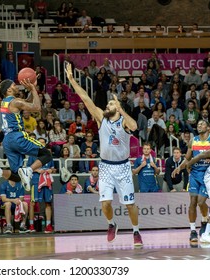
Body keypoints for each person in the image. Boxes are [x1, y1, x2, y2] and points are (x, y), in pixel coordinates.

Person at [65, 63, 142, 246]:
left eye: (111, 103)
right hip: (106, 166)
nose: (107, 105)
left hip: (123, 167)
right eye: (107, 103)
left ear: (118, 107)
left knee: (130, 204)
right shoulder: (101, 118)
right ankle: (111, 224)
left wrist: (122, 109)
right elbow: (85, 98)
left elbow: (134, 127)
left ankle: (136, 232)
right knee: (105, 203)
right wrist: (71, 80)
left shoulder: (124, 121)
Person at [0, 79, 53, 192]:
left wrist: (30, 90)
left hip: (7, 141)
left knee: (17, 176)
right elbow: (37, 108)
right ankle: (29, 170)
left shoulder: (5, 101)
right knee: (46, 154)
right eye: (14, 85)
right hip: (17, 137)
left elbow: (26, 102)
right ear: (9, 89)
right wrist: (33, 89)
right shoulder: (15, 102)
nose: (17, 86)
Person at [172, 119, 210, 243]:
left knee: (201, 202)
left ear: (208, 127)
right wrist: (179, 167)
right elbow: (187, 158)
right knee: (192, 202)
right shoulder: (193, 140)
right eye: (198, 124)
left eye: (202, 124)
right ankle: (193, 230)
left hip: (208, 175)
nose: (199, 126)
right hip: (194, 174)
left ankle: (204, 220)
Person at [27, 137, 55, 233]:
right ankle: (31, 225)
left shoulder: (48, 155)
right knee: (32, 203)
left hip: (47, 182)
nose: (41, 144)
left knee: (48, 203)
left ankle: (48, 225)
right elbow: (28, 169)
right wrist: (37, 170)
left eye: (43, 142)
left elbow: (52, 168)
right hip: (36, 181)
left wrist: (50, 170)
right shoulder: (32, 155)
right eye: (40, 142)